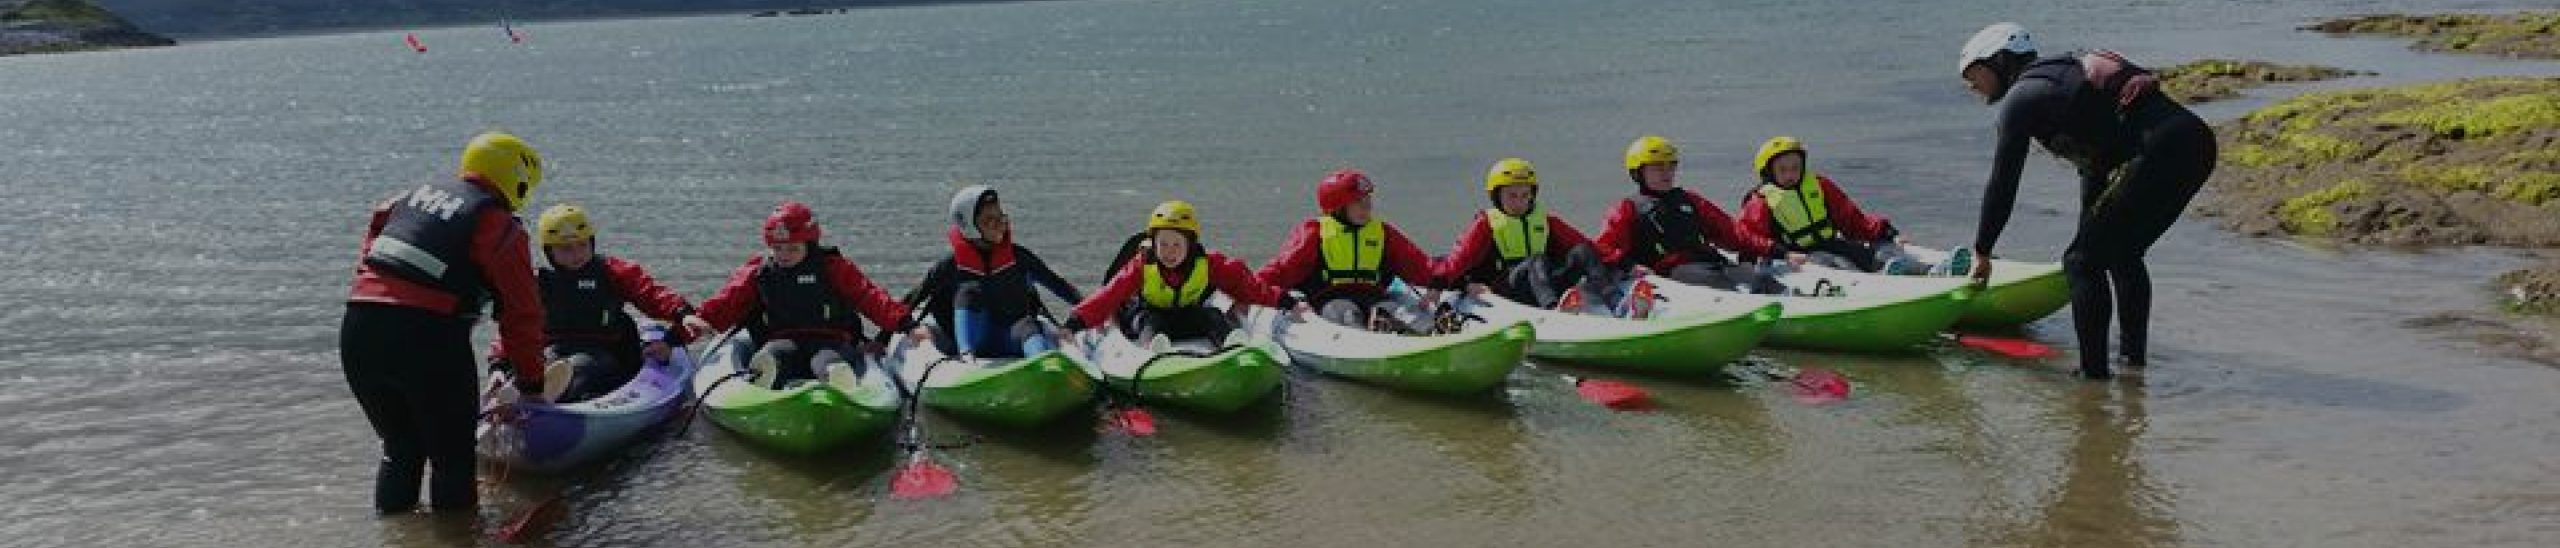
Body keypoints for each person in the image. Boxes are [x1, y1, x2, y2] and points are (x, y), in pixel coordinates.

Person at [1957, 22, 2216, 379]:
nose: (1970, 86)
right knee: (2119, 253)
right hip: (2196, 143)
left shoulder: (2022, 99)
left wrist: (1982, 250)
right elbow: (2094, 166)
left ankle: (2093, 379)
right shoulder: (2062, 79)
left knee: (2080, 262)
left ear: (1999, 61)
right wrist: (2089, 229)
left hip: (2160, 150)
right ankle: (2132, 366)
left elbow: (2003, 182)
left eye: (1973, 74)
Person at [340, 131, 549, 515]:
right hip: (428, 341)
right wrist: (532, 382)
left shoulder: (404, 199)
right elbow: (522, 315)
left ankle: (396, 538)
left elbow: (372, 256)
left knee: (401, 449)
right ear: (514, 179)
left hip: (358, 332)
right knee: (451, 460)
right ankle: (455, 539)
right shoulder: (498, 226)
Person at [493, 203, 713, 402]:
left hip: (605, 352)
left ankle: (545, 398)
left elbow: (651, 293)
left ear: (592, 242)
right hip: (556, 350)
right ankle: (516, 394)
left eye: (582, 245)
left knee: (580, 366)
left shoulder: (613, 272)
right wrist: (499, 364)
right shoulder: (537, 282)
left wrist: (682, 313)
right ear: (549, 251)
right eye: (566, 249)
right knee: (542, 363)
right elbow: (515, 325)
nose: (576, 254)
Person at [696, 201, 929, 387]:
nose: (784, 255)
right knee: (771, 357)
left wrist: (907, 325)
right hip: (783, 339)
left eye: (793, 248)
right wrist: (697, 321)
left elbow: (869, 297)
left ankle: (839, 387)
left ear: (810, 244)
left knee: (826, 363)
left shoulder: (833, 267)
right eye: (777, 249)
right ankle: (762, 386)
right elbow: (729, 299)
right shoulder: (760, 271)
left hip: (832, 340)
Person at [1436, 157, 1651, 317]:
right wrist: (1462, 285)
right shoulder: (1484, 224)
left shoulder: (1546, 221)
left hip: (1543, 281)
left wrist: (1626, 264)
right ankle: (1554, 311)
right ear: (1496, 196)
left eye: (1525, 195)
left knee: (1582, 251)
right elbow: (1457, 260)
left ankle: (1619, 304)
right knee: (1536, 260)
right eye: (1512, 195)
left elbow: (1585, 244)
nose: (1519, 202)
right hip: (1507, 290)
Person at [1066, 201, 1305, 344]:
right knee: (1149, 322)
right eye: (1163, 245)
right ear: (1154, 244)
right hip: (1151, 316)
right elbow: (1110, 295)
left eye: (1177, 245)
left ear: (1190, 244)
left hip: (1188, 315)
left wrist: (1285, 301)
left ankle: (1232, 344)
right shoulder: (1141, 265)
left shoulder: (1209, 263)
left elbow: (1248, 286)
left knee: (1212, 315)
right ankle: (1154, 350)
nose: (1170, 252)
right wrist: (1075, 323)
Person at [1255, 168, 1450, 332]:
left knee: (1400, 312)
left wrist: (1440, 280)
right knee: (1347, 315)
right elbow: (1284, 267)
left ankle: (1430, 329)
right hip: (1330, 298)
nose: (1367, 207)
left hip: (1375, 298)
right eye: (1359, 202)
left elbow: (1417, 263)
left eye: (1368, 200)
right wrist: (1253, 286)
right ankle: (1373, 335)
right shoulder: (1315, 232)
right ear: (1337, 207)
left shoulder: (1383, 232)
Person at [902, 185, 1083, 359]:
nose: (999, 225)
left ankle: (1043, 363)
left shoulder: (1020, 258)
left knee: (1028, 325)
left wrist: (1090, 316)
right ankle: (967, 357)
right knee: (970, 292)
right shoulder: (950, 265)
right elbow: (913, 299)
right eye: (989, 220)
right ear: (969, 225)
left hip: (1008, 337)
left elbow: (1061, 287)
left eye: (1001, 217)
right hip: (965, 341)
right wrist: (885, 338)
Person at [1593, 135, 1789, 294]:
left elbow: (1733, 232)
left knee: (1760, 278)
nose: (1666, 172)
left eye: (1670, 166)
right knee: (1718, 282)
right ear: (1638, 173)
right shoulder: (1626, 209)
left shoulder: (1690, 200)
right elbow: (1604, 247)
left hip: (1709, 262)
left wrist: (1776, 250)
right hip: (1671, 273)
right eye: (1657, 167)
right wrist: (1629, 266)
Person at [1735, 136, 1952, 274]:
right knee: (1840, 265)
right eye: (1783, 169)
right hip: (1797, 255)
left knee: (1867, 255)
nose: (1791, 174)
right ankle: (1884, 282)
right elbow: (1750, 238)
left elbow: (1851, 218)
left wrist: (1887, 232)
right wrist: (1758, 263)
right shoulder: (1760, 201)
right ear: (1768, 172)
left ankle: (1934, 271)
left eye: (1796, 167)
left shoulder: (1819, 186)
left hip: (1830, 243)